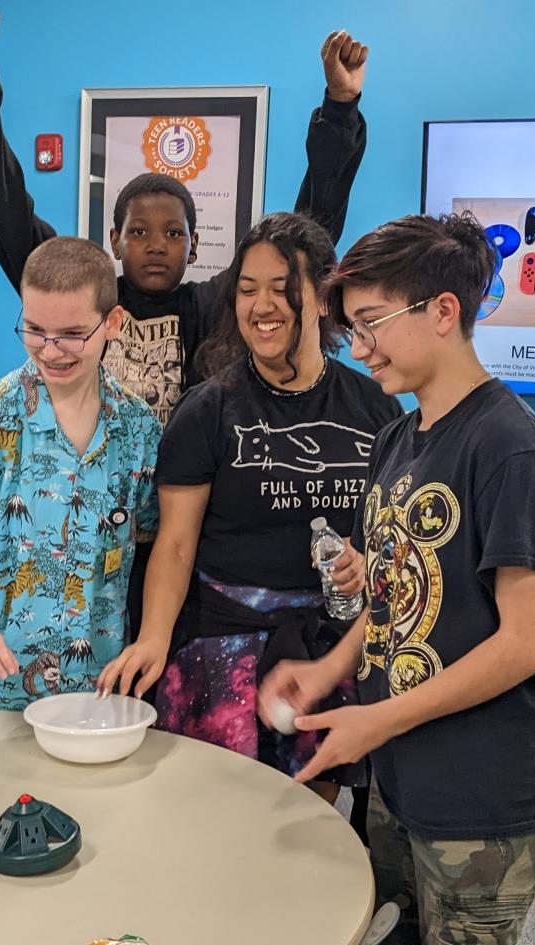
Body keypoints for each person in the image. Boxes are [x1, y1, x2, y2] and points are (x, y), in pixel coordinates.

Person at [259, 213, 535, 945]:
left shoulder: (506, 446)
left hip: (484, 795)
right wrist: (330, 667)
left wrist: (379, 719)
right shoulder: (399, 439)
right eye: (352, 329)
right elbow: (396, 592)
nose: (359, 349)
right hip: (406, 776)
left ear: (442, 312)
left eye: (371, 324)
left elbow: (530, 640)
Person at [96, 212, 403, 801]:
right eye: (247, 289)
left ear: (320, 298)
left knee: (309, 818)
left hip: (329, 646)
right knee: (221, 817)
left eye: (282, 287)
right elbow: (177, 543)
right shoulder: (208, 409)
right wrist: (155, 638)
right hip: (222, 644)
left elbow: (386, 533)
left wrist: (365, 559)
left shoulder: (376, 408)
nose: (263, 304)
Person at [0, 2, 370, 421]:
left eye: (173, 234)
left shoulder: (212, 305)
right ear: (114, 239)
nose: (155, 246)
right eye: (139, 232)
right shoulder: (82, 296)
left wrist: (340, 108)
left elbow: (306, 238)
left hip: (189, 487)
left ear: (195, 245)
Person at [0, 237, 160, 710]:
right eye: (34, 330)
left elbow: (150, 540)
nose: (51, 350)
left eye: (73, 334)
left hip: (92, 683)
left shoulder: (138, 428)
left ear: (112, 324)